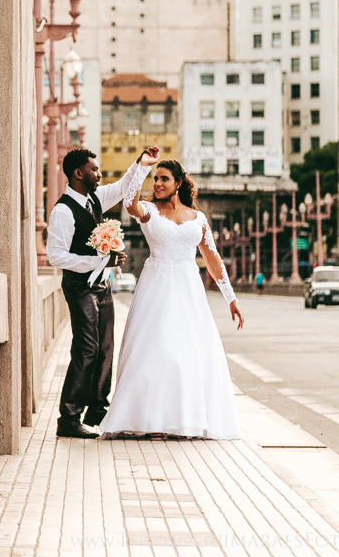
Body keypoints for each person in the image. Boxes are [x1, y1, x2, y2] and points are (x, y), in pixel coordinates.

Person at [100, 159, 245, 439]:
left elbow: (212, 259)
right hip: (156, 288)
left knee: (189, 354)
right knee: (157, 351)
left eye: (164, 178)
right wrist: (142, 166)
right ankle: (150, 420)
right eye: (156, 178)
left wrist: (231, 298)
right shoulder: (149, 211)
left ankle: (183, 422)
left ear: (178, 183)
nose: (158, 183)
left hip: (189, 291)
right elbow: (129, 201)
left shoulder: (198, 218)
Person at [46, 145, 158, 439]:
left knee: (105, 347)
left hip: (101, 284)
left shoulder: (94, 199)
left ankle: (97, 409)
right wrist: (99, 259)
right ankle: (68, 418)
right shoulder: (62, 211)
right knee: (86, 349)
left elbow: (123, 188)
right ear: (78, 173)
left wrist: (141, 164)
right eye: (94, 170)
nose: (98, 174)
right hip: (79, 287)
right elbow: (56, 255)